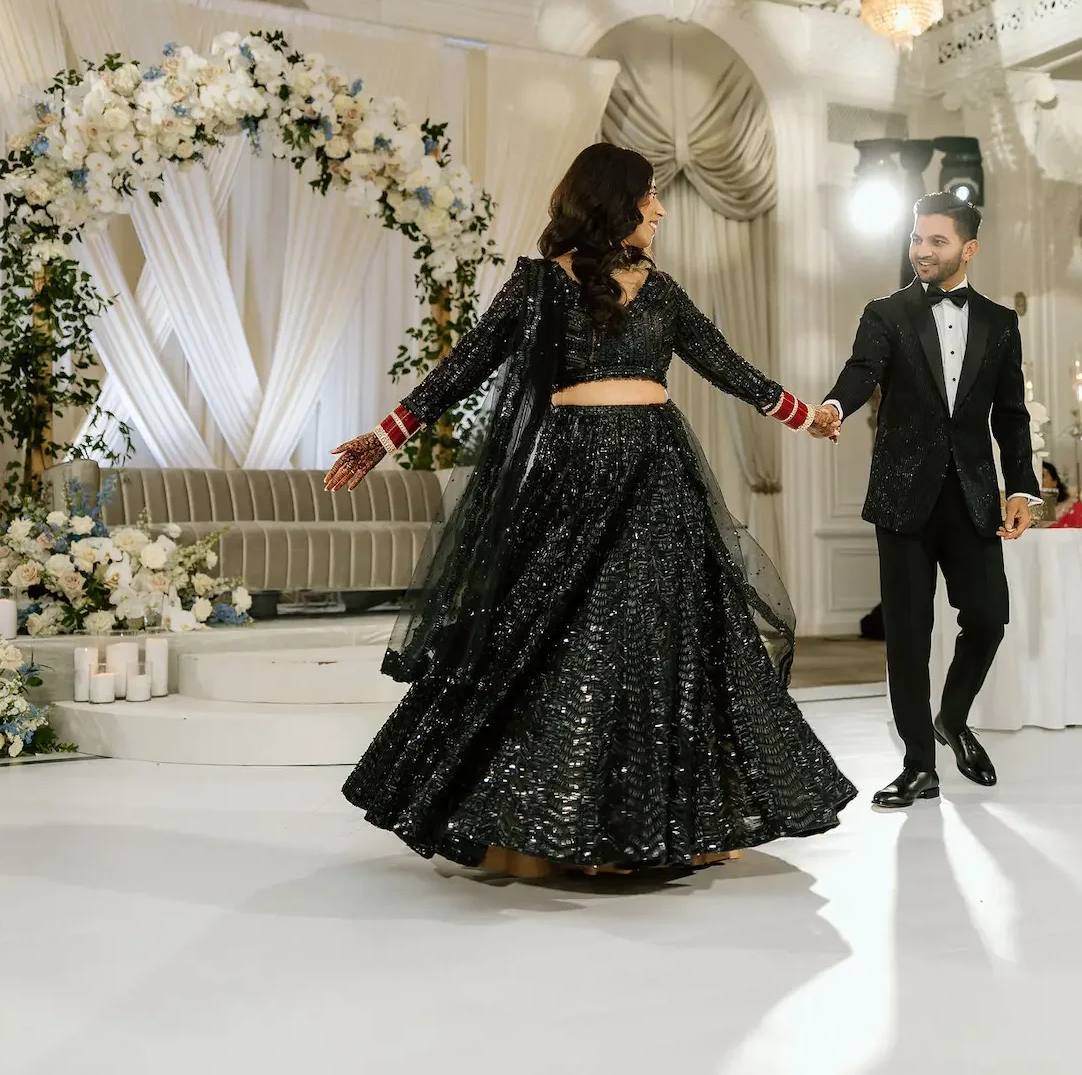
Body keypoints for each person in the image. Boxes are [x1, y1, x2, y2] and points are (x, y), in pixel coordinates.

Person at [325, 142, 855, 878]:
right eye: (650, 197)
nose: (661, 209)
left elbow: (723, 363)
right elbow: (467, 364)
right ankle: (548, 824)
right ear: (616, 202)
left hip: (657, 472)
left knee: (658, 637)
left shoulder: (662, 290)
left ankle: (653, 827)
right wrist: (385, 436)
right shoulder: (539, 286)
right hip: (574, 474)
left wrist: (805, 416)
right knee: (558, 634)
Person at [810, 191, 1039, 809]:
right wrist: (833, 406)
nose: (922, 251)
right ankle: (918, 765)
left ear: (968, 248)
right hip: (902, 497)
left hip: (972, 499)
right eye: (916, 239)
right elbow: (861, 372)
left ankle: (953, 717)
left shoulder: (1001, 323)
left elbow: (1012, 417)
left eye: (937, 241)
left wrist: (1022, 489)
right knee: (908, 634)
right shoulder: (885, 313)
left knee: (989, 616)